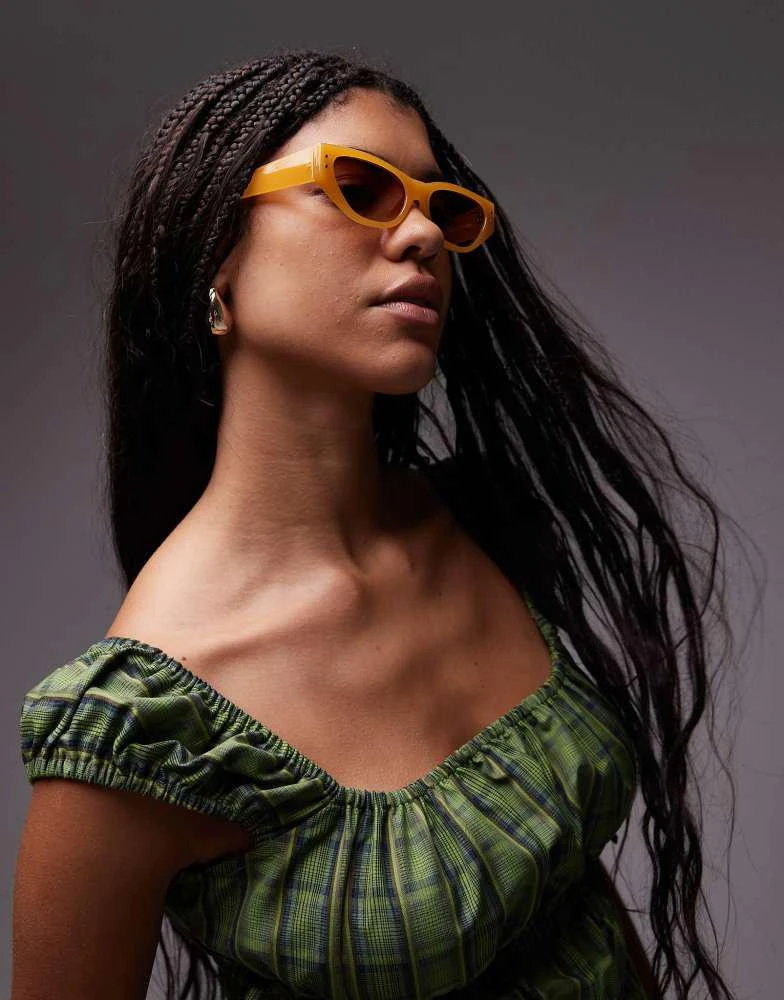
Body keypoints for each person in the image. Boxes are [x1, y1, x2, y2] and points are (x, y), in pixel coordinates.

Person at [12, 47, 754, 1000]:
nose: (425, 236)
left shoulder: (471, 521)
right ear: (214, 252)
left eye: (444, 208)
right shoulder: (142, 730)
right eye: (361, 190)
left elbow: (570, 903)